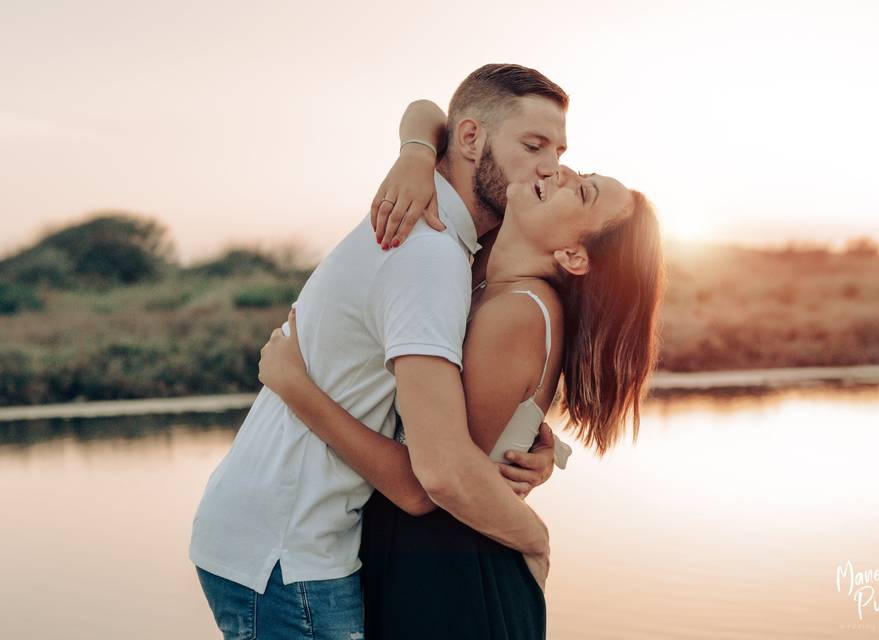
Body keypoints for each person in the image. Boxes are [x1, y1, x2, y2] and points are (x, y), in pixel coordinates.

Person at [189, 63, 574, 640]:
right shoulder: (429, 255)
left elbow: (429, 113)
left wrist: (515, 448)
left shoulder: (450, 241)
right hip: (290, 555)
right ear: (470, 140)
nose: (551, 166)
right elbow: (431, 481)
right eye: (533, 144)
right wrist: (531, 535)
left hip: (274, 534)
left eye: (560, 149)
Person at [257, 97, 666, 640]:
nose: (562, 172)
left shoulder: (517, 311)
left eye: (582, 190)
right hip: (430, 559)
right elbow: (432, 110)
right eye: (578, 170)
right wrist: (415, 155)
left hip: (451, 576)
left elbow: (430, 480)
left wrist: (296, 388)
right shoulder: (485, 272)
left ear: (573, 256)